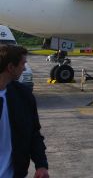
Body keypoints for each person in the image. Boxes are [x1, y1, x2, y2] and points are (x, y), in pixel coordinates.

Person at [0, 44, 49, 178]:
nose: (25, 68)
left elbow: (34, 133)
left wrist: (41, 165)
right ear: (10, 67)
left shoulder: (23, 95)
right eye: (23, 63)